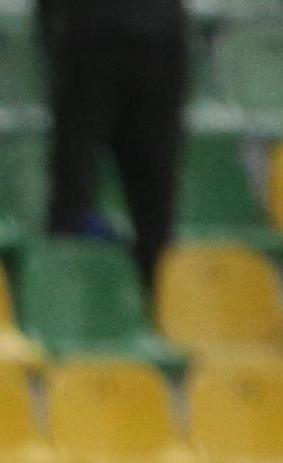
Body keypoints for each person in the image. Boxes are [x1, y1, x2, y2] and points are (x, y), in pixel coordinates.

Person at [38, 0, 189, 307]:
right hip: (156, 37)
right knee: (154, 200)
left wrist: (50, 36)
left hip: (91, 35)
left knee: (74, 191)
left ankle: (65, 310)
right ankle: (154, 310)